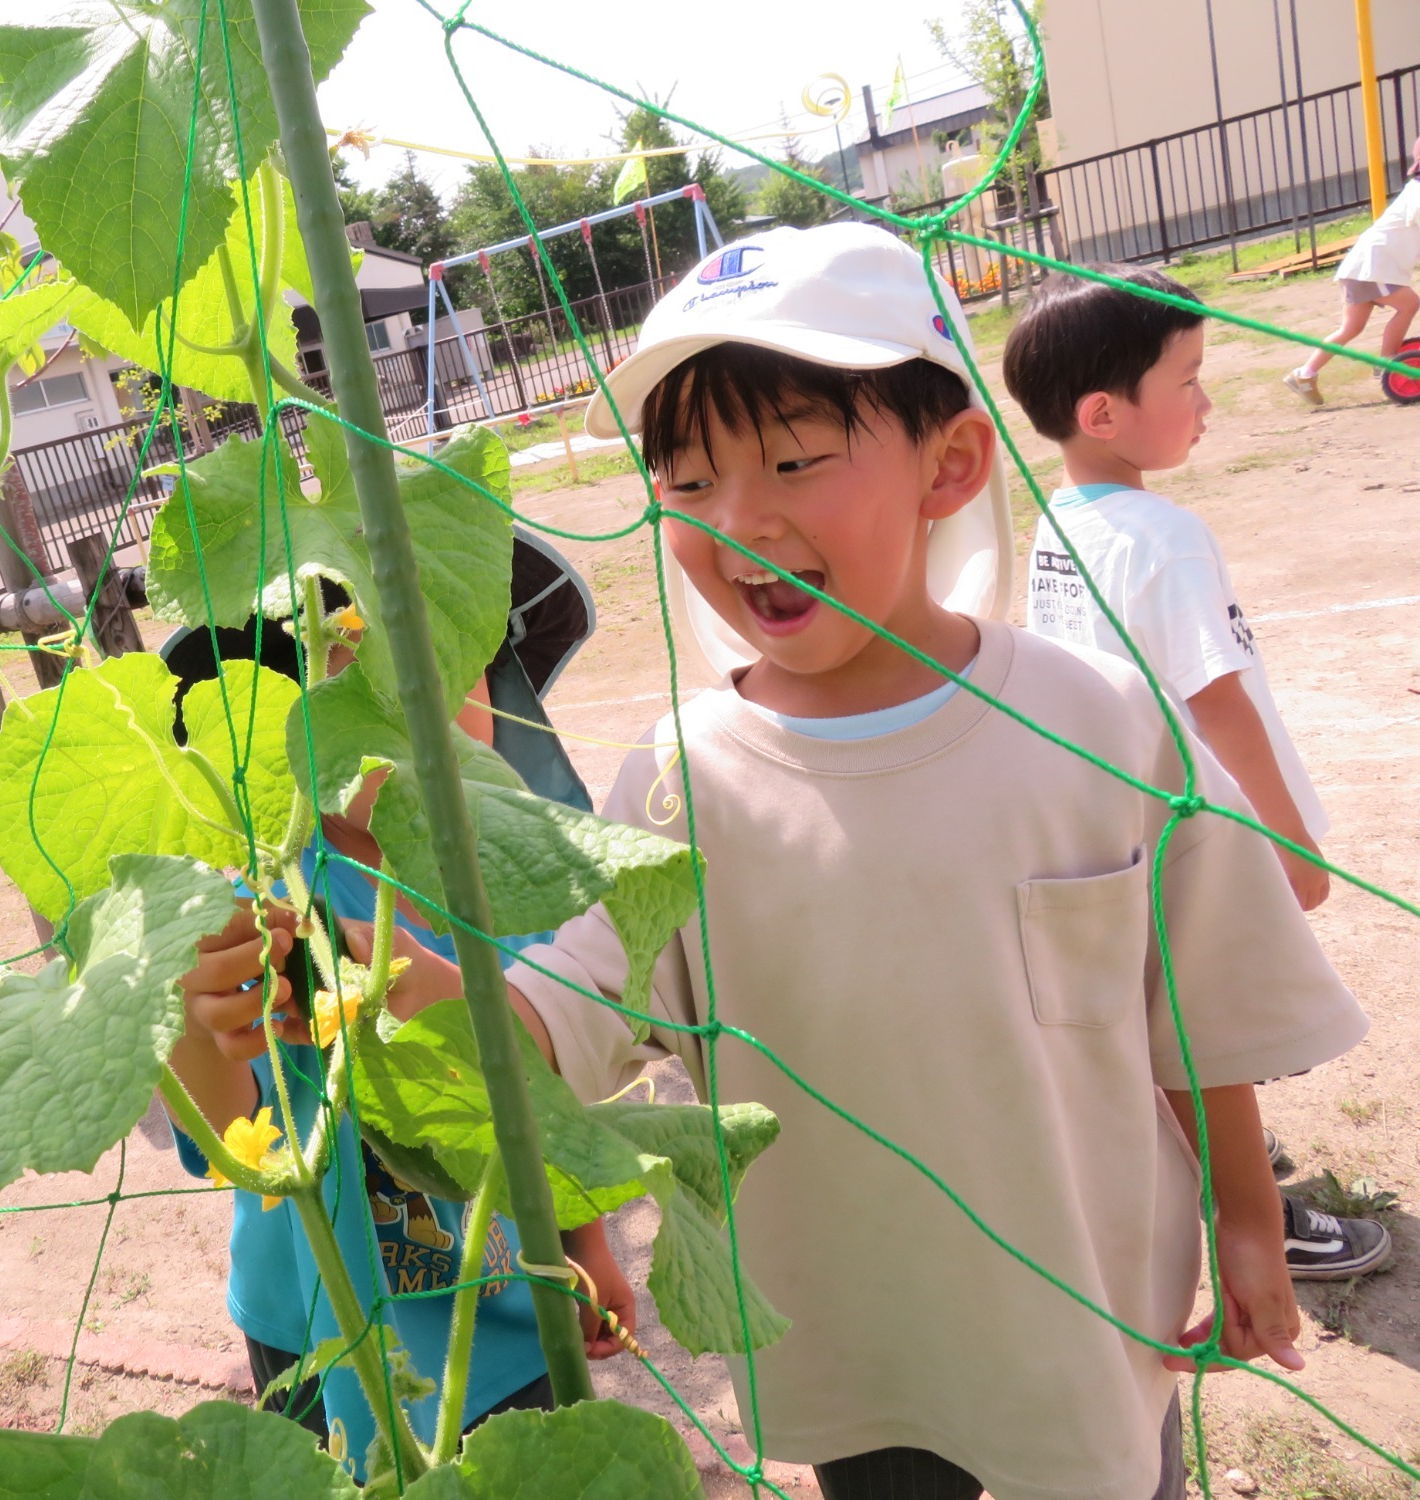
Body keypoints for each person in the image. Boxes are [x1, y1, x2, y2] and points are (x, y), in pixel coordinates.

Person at [360, 224, 1369, 1500]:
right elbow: (559, 1008)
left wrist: (1243, 1219)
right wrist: (352, 974)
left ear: (947, 465)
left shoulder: (1096, 721)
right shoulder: (682, 776)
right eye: (684, 479)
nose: (739, 521)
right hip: (848, 1342)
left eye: (793, 458)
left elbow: (1199, 1014)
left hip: (1081, 1318)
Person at [166, 538, 630, 1476]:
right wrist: (200, 1017)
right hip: (306, 1314)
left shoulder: (512, 875)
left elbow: (556, 1089)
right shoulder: (262, 889)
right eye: (340, 693)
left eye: (439, 677)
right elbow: (226, 1130)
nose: (404, 726)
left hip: (506, 1312)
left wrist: (586, 1239)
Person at [1004, 265, 1391, 1281]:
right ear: (1104, 411)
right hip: (1204, 830)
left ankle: (1208, 1171)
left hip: (1123, 820)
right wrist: (1286, 841)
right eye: (1187, 380)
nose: (1206, 401)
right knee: (1212, 1031)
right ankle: (1252, 1214)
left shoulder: (1060, 520)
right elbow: (1214, 697)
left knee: (1172, 1024)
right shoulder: (1165, 537)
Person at [1282, 139, 1420, 404]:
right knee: (1409, 304)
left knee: (1351, 328)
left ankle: (1304, 373)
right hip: (1375, 265)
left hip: (1366, 265)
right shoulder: (1416, 195)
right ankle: (1388, 360)